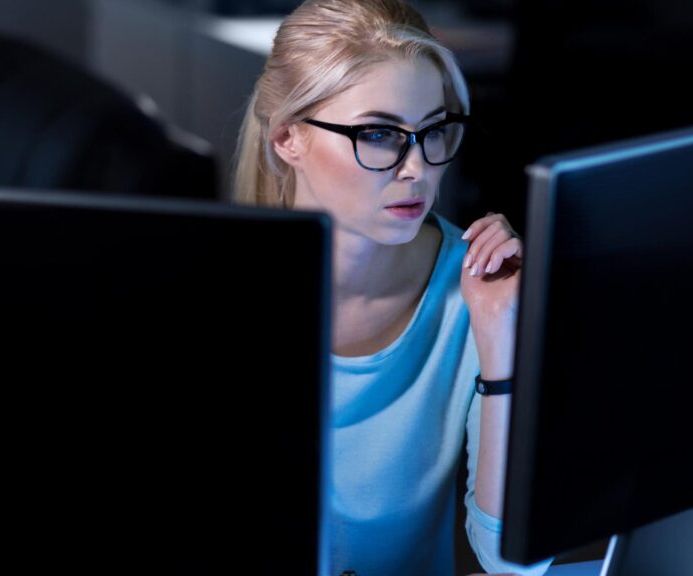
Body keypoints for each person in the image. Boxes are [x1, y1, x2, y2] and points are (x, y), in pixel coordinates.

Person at [231, 1, 553, 574]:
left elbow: (514, 565)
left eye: (433, 132)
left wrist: (505, 338)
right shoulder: (207, 286)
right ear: (288, 139)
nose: (417, 169)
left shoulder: (477, 292)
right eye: (379, 134)